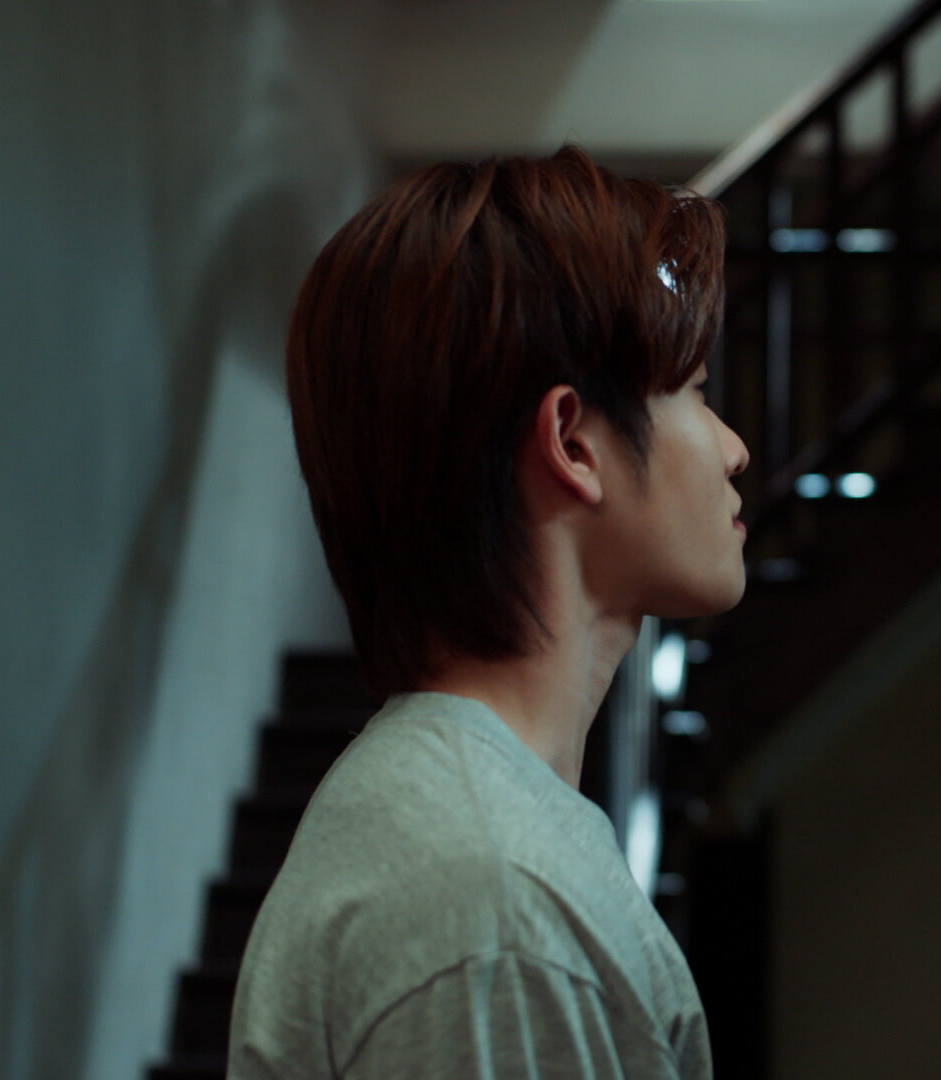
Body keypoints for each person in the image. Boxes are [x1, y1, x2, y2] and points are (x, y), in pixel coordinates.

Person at [229, 147, 748, 1079]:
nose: (735, 449)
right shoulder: (495, 906)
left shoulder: (482, 840)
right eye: (695, 394)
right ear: (573, 443)